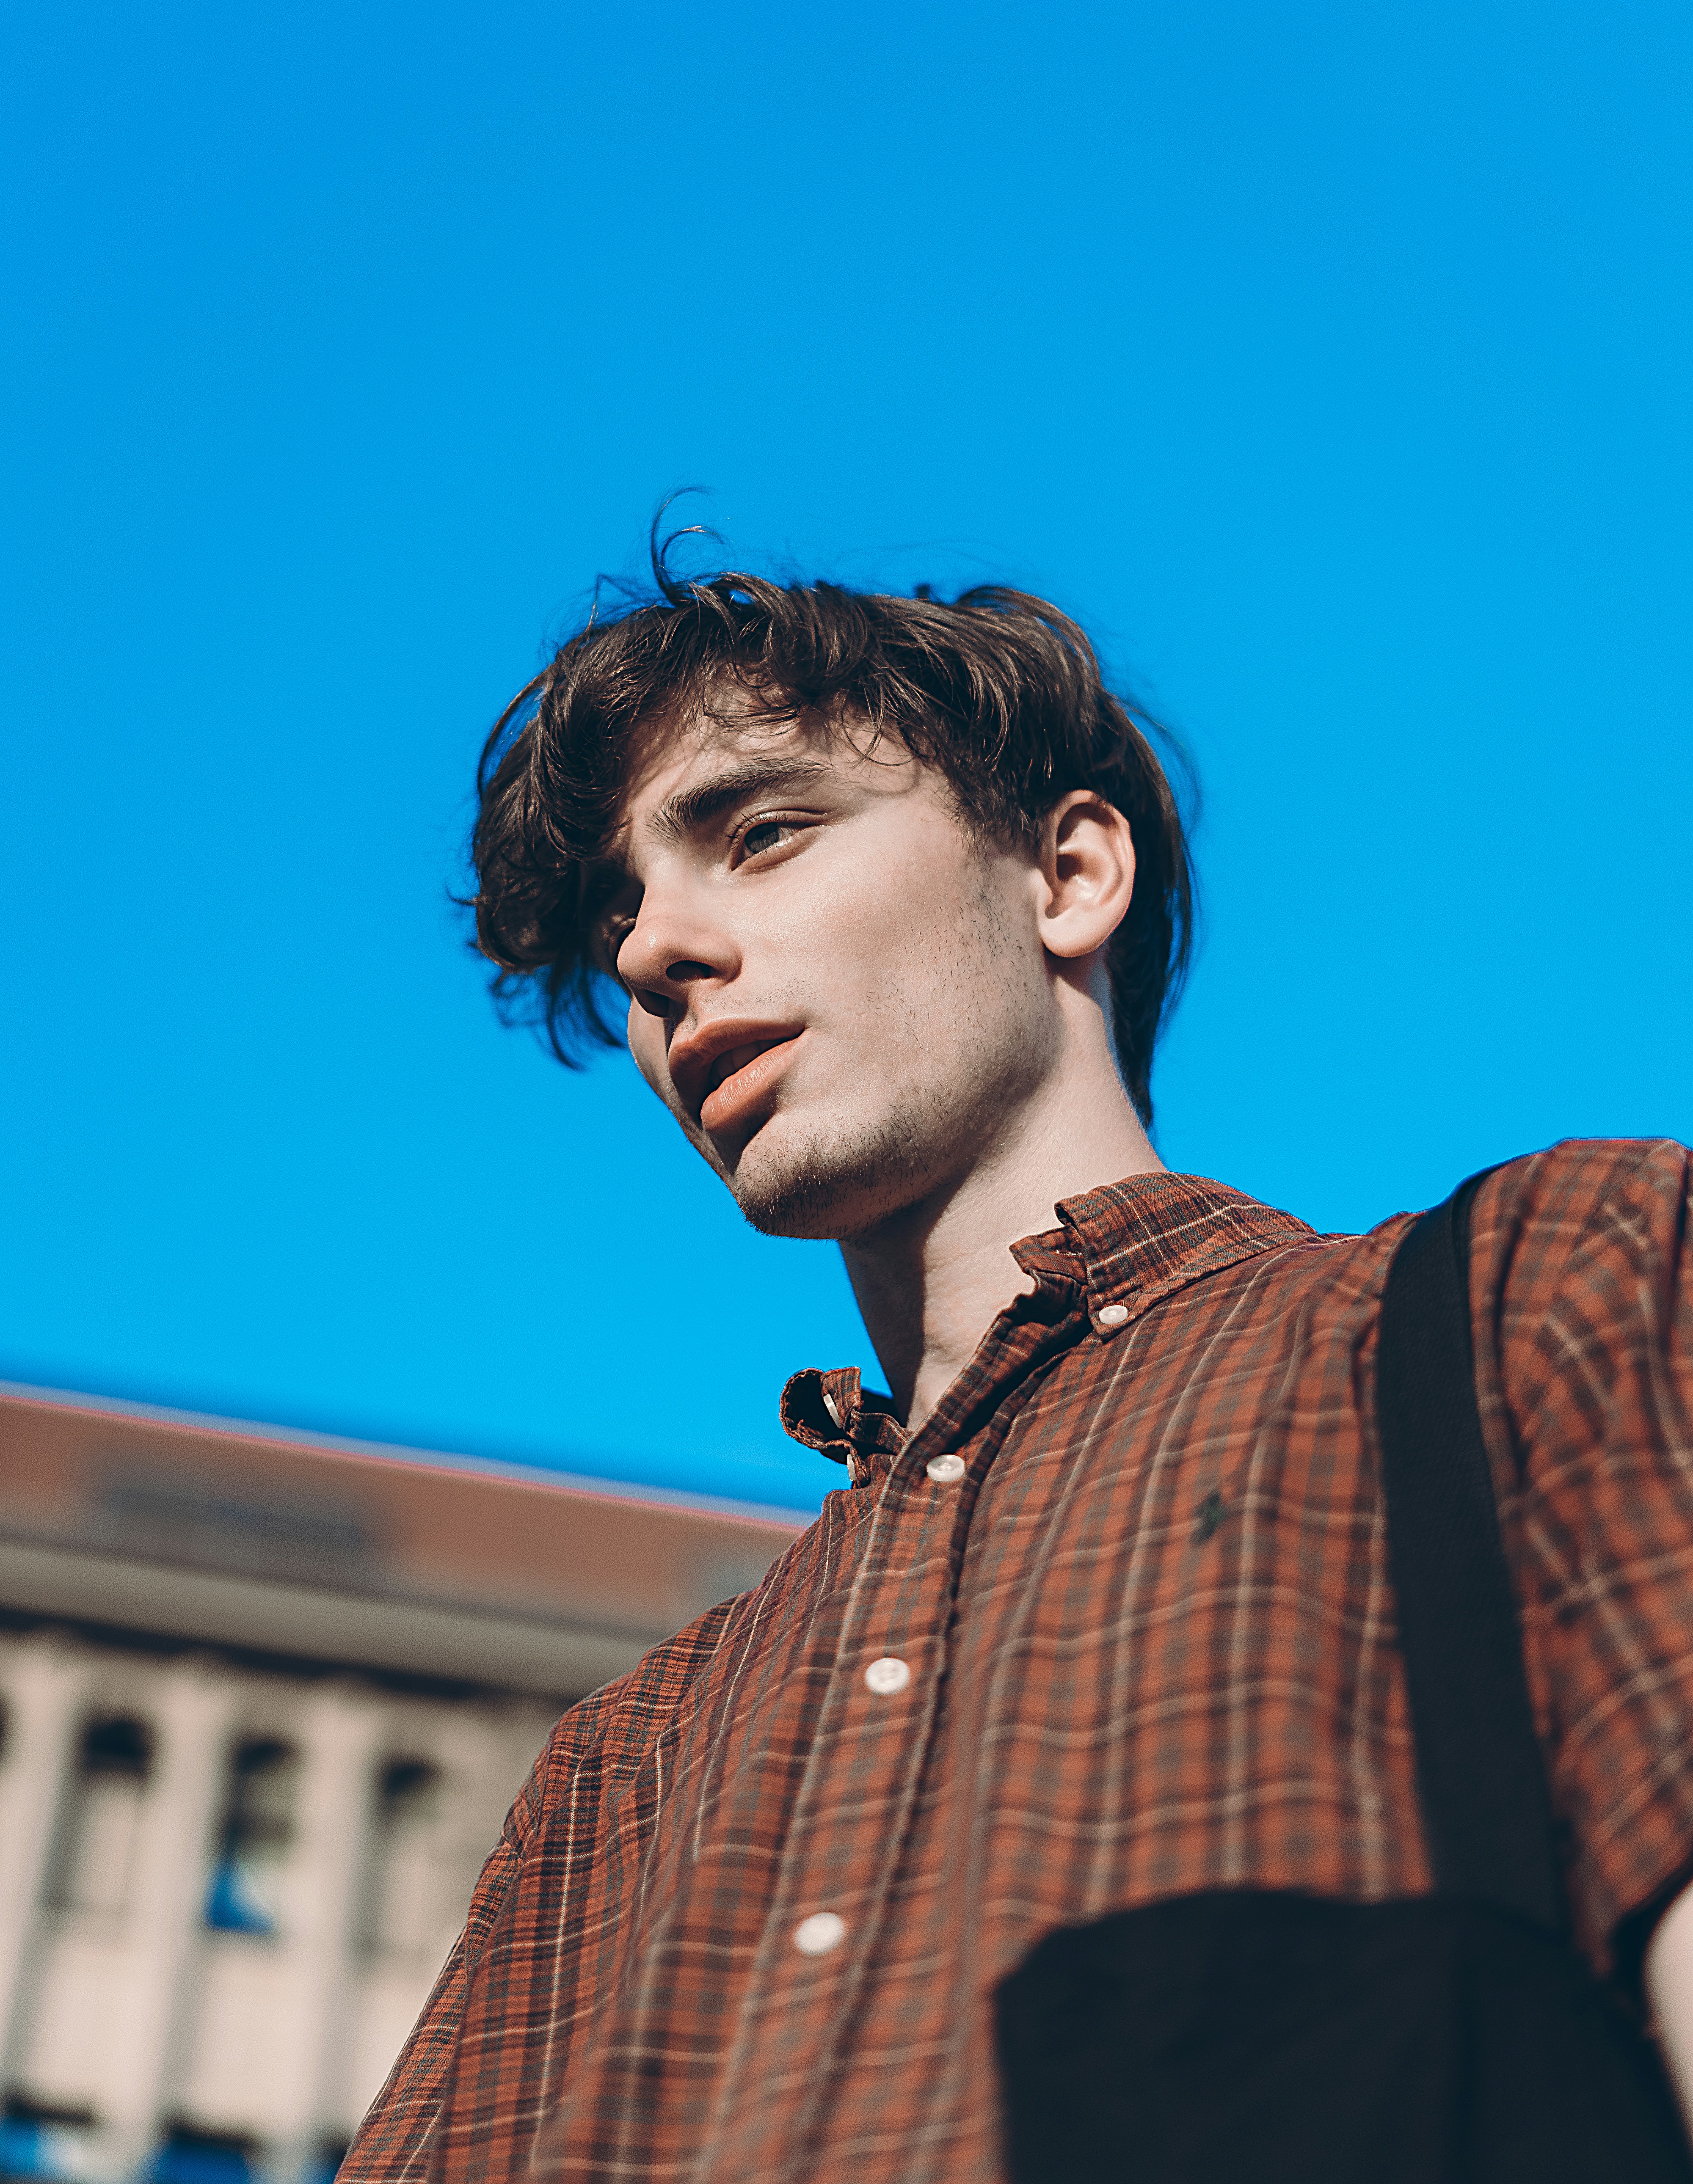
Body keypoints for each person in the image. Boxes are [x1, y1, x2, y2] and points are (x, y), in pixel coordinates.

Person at [342, 545, 1693, 2184]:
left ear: (1067, 876)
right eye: (619, 911)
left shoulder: (1534, 1306)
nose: (648, 956)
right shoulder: (617, 1770)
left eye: (759, 834)